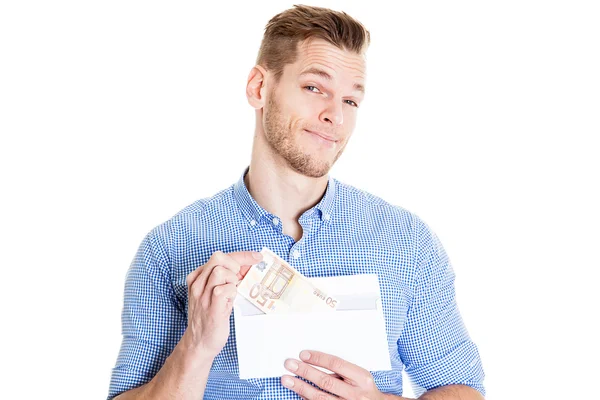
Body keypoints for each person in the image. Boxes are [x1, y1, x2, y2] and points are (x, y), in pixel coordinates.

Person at [108, 5, 485, 400]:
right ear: (259, 88)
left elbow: (463, 390)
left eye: (351, 101)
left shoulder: (407, 243)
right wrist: (196, 348)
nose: (334, 116)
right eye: (314, 88)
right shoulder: (170, 247)